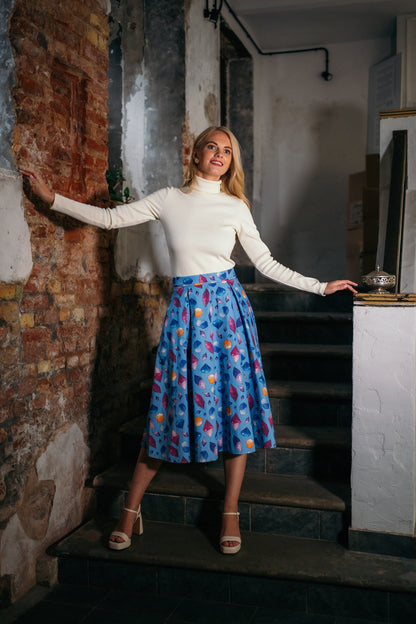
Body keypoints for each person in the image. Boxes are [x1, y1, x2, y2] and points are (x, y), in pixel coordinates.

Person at [21, 125, 357, 555]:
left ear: (232, 161)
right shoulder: (168, 200)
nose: (219, 155)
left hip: (229, 314)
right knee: (168, 409)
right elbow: (109, 218)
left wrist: (319, 286)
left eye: (227, 151)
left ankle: (230, 511)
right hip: (185, 316)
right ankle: (130, 510)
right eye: (211, 148)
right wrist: (53, 200)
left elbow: (266, 262)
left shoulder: (235, 207)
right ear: (195, 154)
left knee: (235, 407)